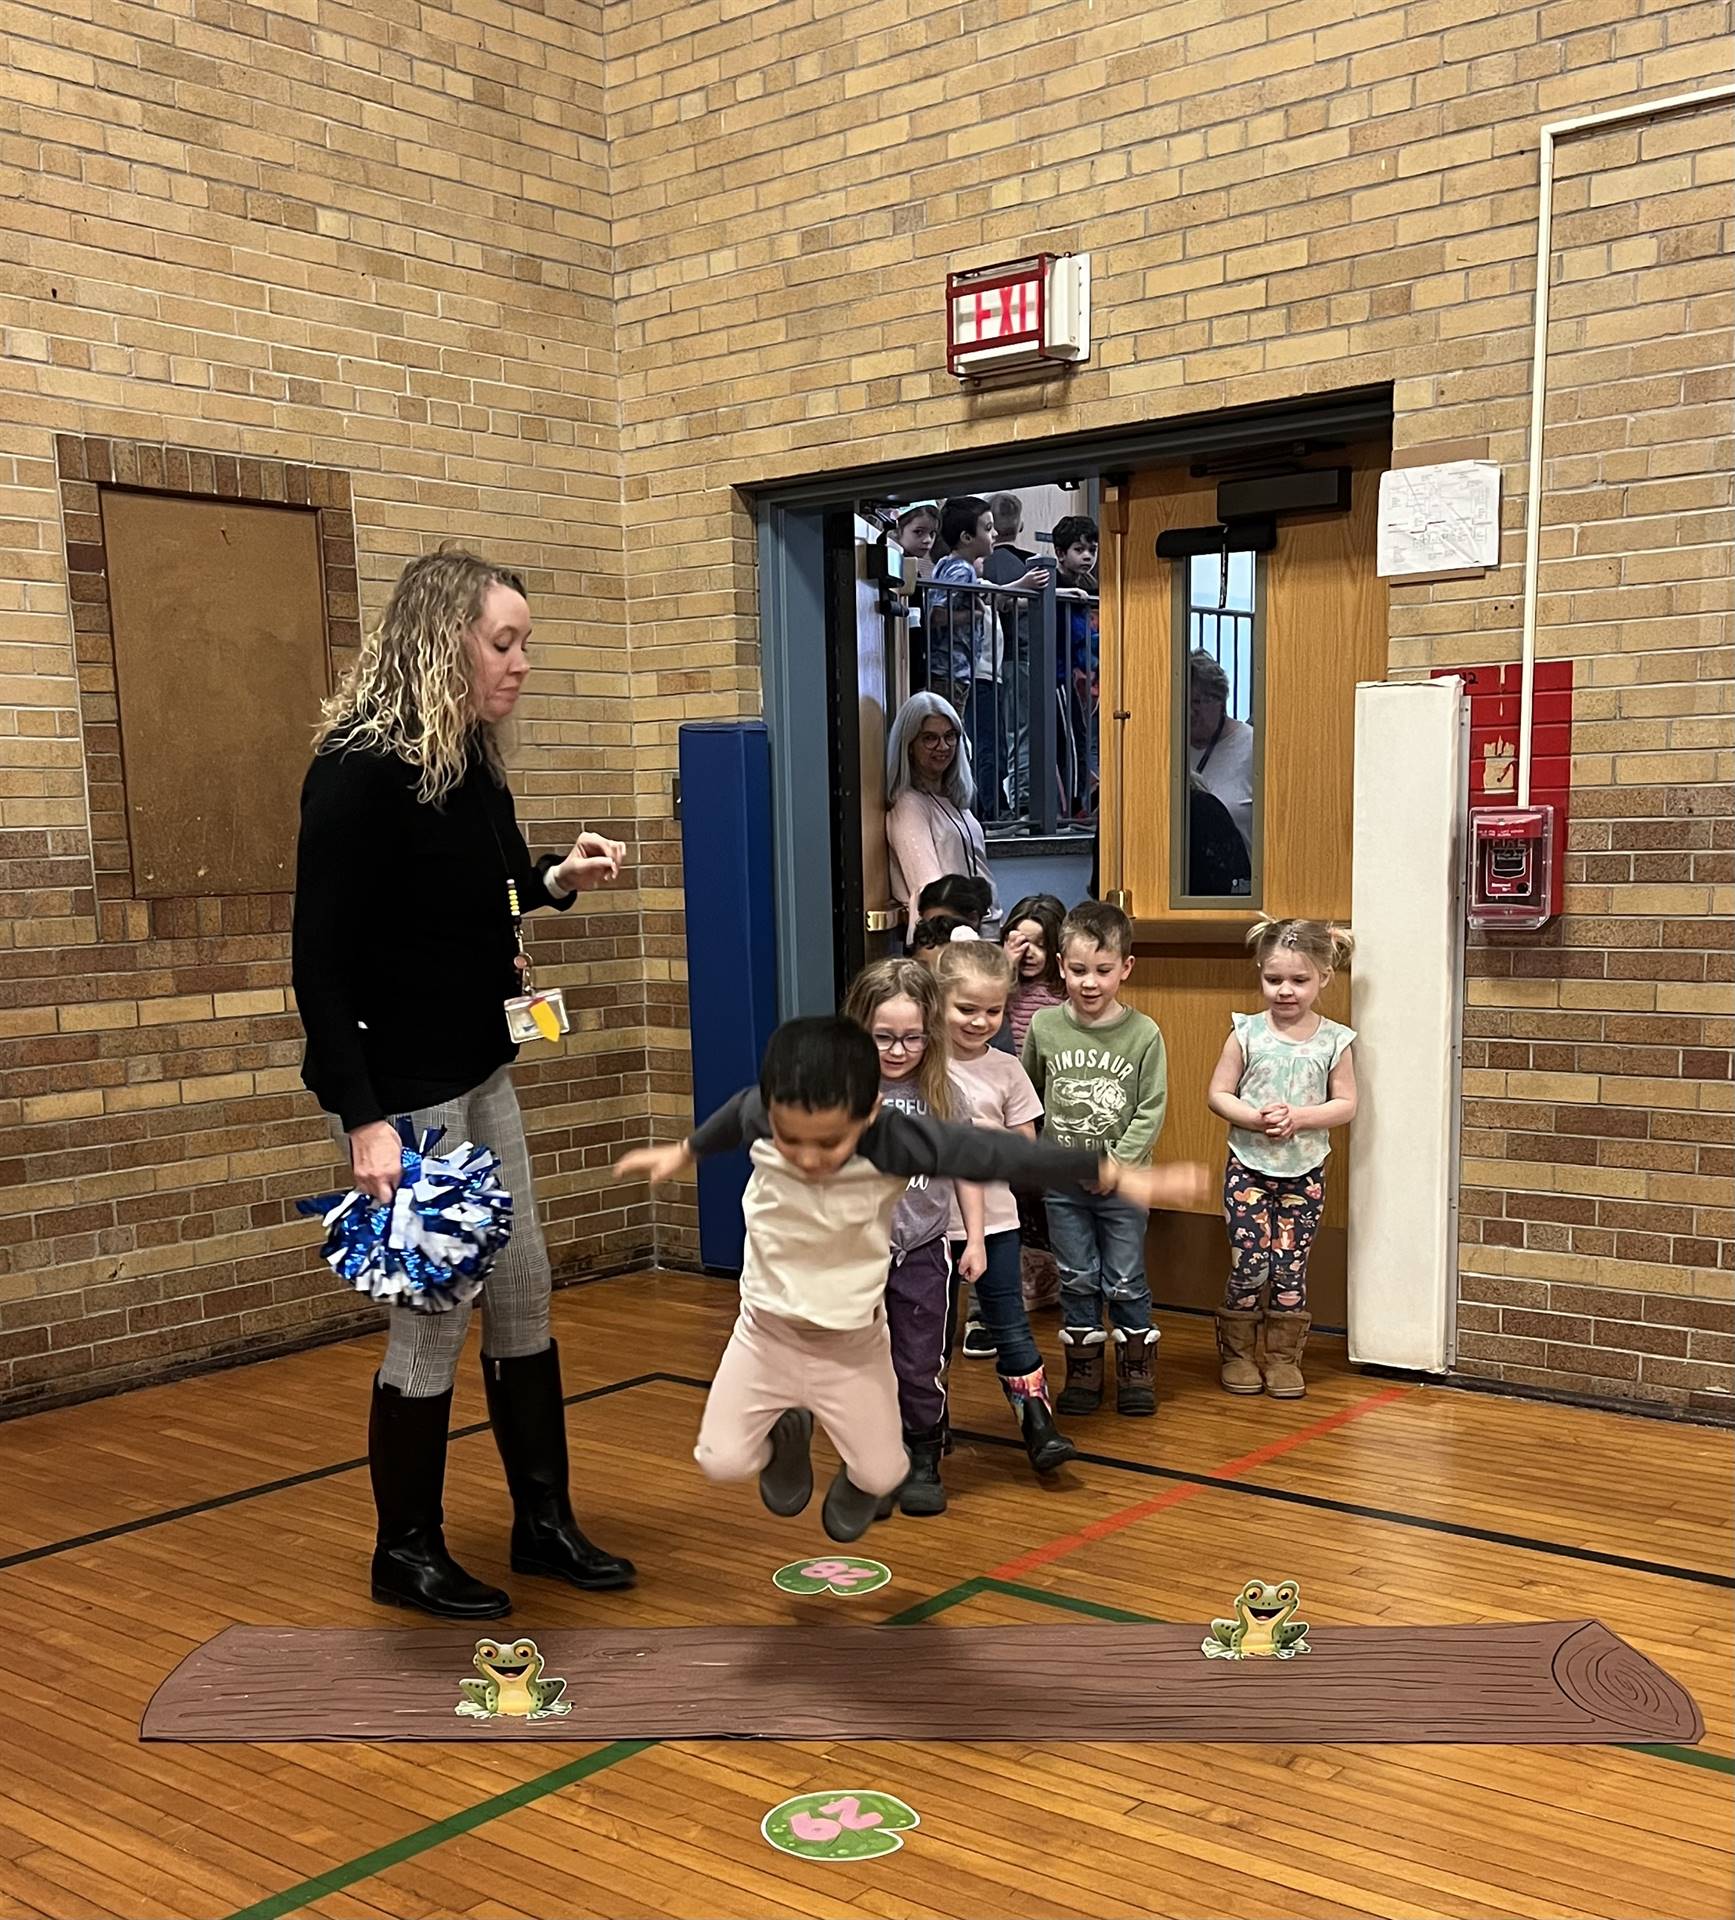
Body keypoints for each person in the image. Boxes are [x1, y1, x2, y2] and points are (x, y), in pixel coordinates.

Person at [292, 550, 636, 1619]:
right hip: (407, 1090)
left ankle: (544, 1524)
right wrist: (364, 1120)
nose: (521, 663)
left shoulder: (473, 757)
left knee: (525, 1289)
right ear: (444, 643)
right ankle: (406, 1550)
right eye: (504, 642)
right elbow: (320, 960)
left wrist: (551, 884)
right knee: (437, 1315)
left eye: (523, 642)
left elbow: (482, 896)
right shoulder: (356, 771)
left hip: (483, 1068)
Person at [613, 1017, 1206, 1540]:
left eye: (829, 1143)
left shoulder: (895, 1142)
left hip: (851, 1345)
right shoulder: (764, 1113)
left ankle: (851, 1464)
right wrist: (684, 1151)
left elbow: (999, 1154)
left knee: (883, 1474)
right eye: (791, 1140)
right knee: (719, 1461)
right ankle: (787, 1435)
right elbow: (735, 1114)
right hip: (763, 1336)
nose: (809, 1159)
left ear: (870, 1112)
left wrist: (1115, 1173)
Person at [841, 959, 983, 1516]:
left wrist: (974, 1239)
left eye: (911, 1039)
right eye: (883, 1039)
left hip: (923, 1250)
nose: (897, 1051)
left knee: (918, 1361)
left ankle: (924, 1455)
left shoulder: (943, 1094)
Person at [1022, 901, 1169, 1417]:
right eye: (1079, 970)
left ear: (1125, 968)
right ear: (1061, 965)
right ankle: (1083, 1366)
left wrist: (1117, 1165)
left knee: (1125, 1275)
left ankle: (1135, 1366)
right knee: (1076, 1273)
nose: (1090, 983)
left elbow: (1150, 1109)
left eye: (1103, 971)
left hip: (1124, 1185)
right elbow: (1030, 1094)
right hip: (1064, 1185)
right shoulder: (1043, 1027)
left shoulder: (1144, 1034)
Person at [936, 941, 1076, 1470]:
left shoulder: (1008, 1070)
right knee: (929, 1330)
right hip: (927, 1229)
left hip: (995, 1222)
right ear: (938, 1001)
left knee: (1009, 1321)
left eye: (992, 1011)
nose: (980, 1021)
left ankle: (1038, 1426)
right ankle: (929, 1425)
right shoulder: (921, 1065)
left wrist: (986, 1131)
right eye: (966, 1009)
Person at [1206, 917, 1358, 1399]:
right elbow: (1218, 1093)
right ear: (1259, 973)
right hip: (1248, 1168)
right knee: (1251, 1260)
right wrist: (1253, 1118)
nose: (1285, 991)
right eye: (1274, 980)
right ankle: (1238, 1352)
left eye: (1299, 980)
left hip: (1304, 1173)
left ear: (1324, 978)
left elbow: (1346, 1104)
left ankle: (1282, 1357)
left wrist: (1301, 1116)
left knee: (1290, 1266)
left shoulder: (1335, 1040)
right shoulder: (1246, 1032)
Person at [929, 496, 1047, 816]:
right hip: (953, 668)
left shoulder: (957, 568)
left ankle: (967, 807)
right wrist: (976, 613)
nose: (994, 535)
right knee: (954, 742)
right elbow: (939, 613)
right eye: (988, 528)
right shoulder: (959, 568)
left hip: (959, 669)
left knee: (959, 741)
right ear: (968, 537)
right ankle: (965, 809)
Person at [885, 692, 999, 940]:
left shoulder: (955, 800)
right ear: (909, 746)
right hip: (951, 943)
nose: (943, 747)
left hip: (983, 935)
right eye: (930, 738)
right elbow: (932, 894)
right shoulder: (909, 805)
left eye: (950, 737)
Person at [1001, 895, 1067, 1312]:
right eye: (1018, 942)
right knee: (1015, 1195)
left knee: (1047, 1194)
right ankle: (1026, 1274)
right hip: (1004, 1104)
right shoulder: (1000, 987)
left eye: (1039, 944)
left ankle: (1053, 1274)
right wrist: (1002, 966)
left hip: (1047, 1104)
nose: (1027, 954)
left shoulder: (1061, 994)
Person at [1050, 515, 1100, 820]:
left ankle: (1078, 801)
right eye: (1079, 549)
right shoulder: (1059, 586)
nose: (1087, 556)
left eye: (1091, 550)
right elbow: (1073, 635)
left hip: (1067, 673)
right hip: (1054, 675)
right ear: (1060, 553)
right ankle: (1074, 804)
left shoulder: (1083, 586)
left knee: (1077, 739)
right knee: (1070, 742)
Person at [1188, 649, 1255, 853]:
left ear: (1221, 702)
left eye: (1198, 702)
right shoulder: (1165, 746)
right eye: (1186, 702)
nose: (1191, 712)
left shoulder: (1253, 746)